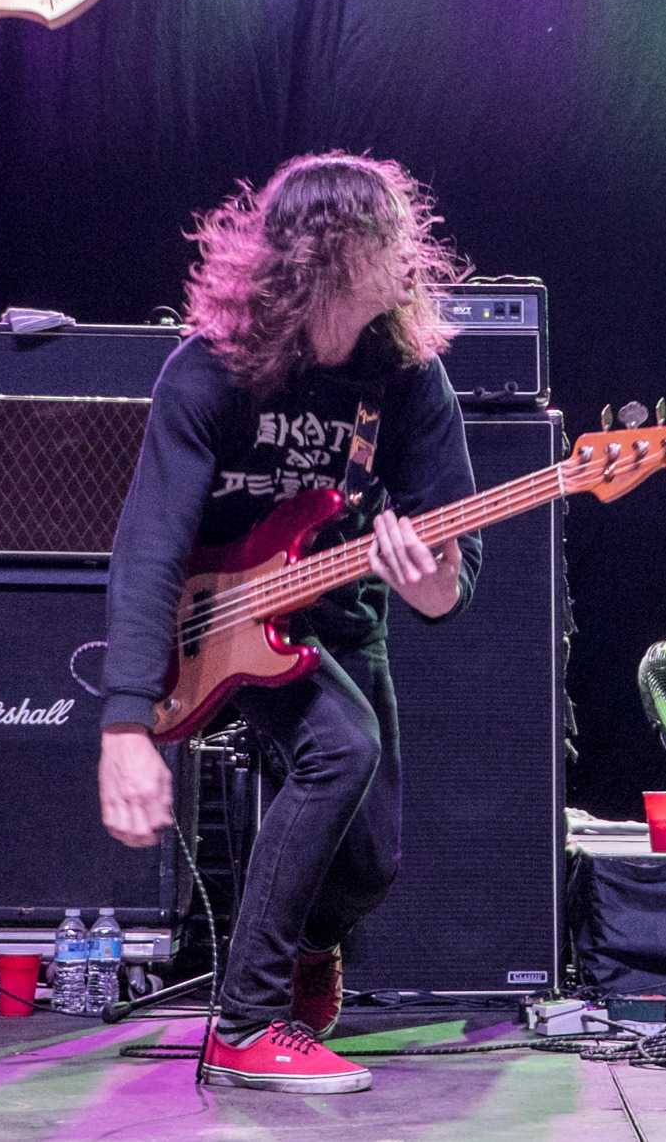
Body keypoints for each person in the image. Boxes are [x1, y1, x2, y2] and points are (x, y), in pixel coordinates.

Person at [97, 153, 482, 1094]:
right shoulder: (213, 371)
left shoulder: (407, 380)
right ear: (324, 252)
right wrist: (123, 722)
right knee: (340, 747)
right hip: (216, 618)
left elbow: (449, 583)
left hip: (340, 613)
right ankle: (245, 1022)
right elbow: (148, 542)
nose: (408, 253)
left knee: (375, 863)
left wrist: (429, 571)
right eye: (385, 235)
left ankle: (307, 941)